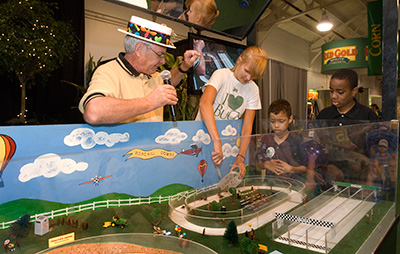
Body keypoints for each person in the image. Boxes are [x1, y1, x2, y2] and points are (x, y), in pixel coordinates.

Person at [79, 15, 200, 124]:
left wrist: (184, 66)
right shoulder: (108, 72)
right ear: (139, 50)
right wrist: (149, 102)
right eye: (160, 54)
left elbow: (171, 79)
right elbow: (94, 112)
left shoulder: (151, 76)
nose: (163, 61)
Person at [196, 46, 267, 179]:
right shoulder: (221, 74)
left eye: (253, 76)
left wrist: (241, 156)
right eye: (247, 71)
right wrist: (216, 141)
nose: (248, 77)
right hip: (203, 135)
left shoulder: (253, 89)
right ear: (239, 60)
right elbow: (205, 104)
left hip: (226, 143)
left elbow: (247, 128)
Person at [256, 99, 307, 179]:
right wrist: (267, 164)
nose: (276, 125)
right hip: (271, 185)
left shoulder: (297, 140)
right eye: (272, 121)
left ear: (290, 119)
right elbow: (258, 162)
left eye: (281, 121)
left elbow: (307, 168)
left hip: (293, 184)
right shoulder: (265, 139)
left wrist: (291, 169)